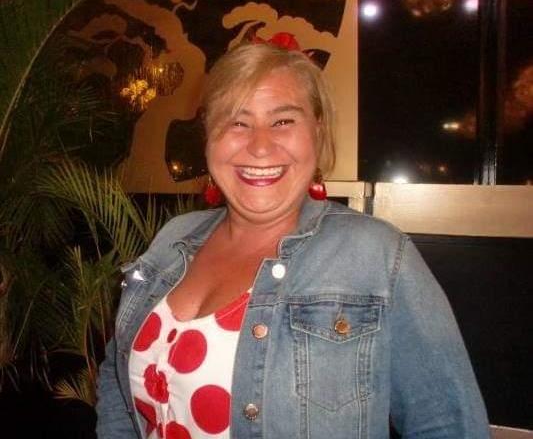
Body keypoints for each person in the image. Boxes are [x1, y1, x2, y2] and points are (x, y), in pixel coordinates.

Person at [96, 38, 490, 438]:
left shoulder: (377, 255)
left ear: (317, 131)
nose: (259, 145)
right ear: (209, 136)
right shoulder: (174, 238)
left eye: (283, 121)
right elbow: (117, 384)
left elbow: (449, 425)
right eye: (237, 122)